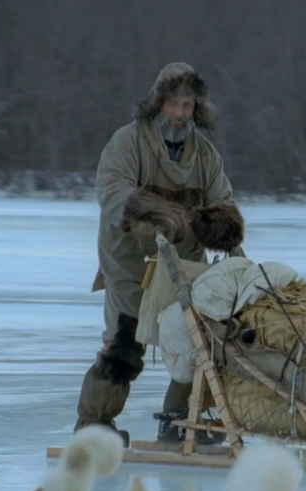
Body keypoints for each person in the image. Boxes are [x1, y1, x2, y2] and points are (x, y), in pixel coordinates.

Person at [74, 62, 246, 447]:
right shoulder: (128, 141)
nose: (180, 113)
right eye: (173, 104)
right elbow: (111, 190)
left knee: (195, 342)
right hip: (130, 262)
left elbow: (223, 201)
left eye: (187, 105)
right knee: (124, 346)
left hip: (182, 266)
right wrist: (154, 215)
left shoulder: (205, 156)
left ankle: (179, 422)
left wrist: (228, 239)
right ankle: (93, 427)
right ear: (158, 104)